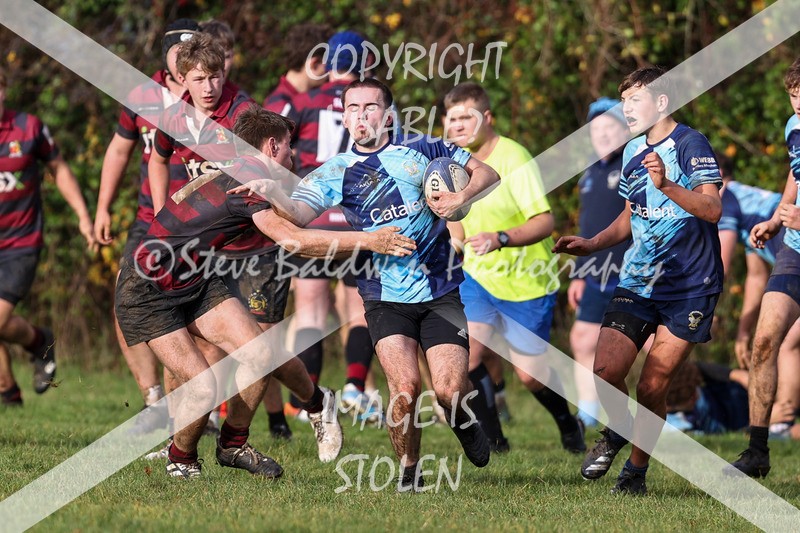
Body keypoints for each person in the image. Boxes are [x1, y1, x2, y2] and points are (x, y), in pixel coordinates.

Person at [116, 105, 415, 478]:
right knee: (204, 386)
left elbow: (290, 217)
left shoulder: (243, 171)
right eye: (290, 146)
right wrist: (371, 240)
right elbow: (293, 240)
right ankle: (182, 459)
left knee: (259, 355)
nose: (294, 154)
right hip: (146, 289)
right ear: (272, 146)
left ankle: (233, 444)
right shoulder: (247, 185)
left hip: (193, 278)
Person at [242, 78, 501, 490]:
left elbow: (488, 172)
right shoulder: (336, 171)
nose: (362, 116)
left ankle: (464, 423)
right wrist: (270, 188)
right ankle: (409, 473)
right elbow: (298, 214)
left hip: (439, 290)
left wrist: (462, 196)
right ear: (344, 116)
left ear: (389, 115)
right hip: (383, 295)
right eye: (353, 108)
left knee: (450, 391)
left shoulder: (424, 149)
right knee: (405, 388)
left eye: (371, 107)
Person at [554, 66, 724, 495]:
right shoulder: (632, 150)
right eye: (624, 100)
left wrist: (666, 184)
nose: (626, 108)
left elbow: (712, 210)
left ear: (661, 103)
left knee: (652, 385)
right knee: (605, 368)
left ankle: (635, 473)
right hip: (639, 280)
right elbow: (631, 216)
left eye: (635, 100)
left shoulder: (690, 143)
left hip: (690, 286)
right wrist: (593, 244)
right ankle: (618, 431)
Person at [441, 82, 586, 454]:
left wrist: (500, 238)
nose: (457, 126)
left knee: (529, 374)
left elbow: (545, 221)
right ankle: (494, 439)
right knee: (470, 354)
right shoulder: (450, 159)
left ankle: (567, 423)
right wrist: (456, 243)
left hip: (528, 281)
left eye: (466, 118)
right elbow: (452, 211)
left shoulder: (515, 158)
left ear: (487, 118)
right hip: (477, 277)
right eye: (451, 118)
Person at [93, 18, 200, 432]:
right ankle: (153, 400)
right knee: (127, 299)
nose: (186, 59)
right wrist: (102, 207)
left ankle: (192, 402)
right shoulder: (142, 95)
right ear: (166, 55)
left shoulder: (210, 92)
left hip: (200, 221)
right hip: (148, 219)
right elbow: (119, 152)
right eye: (179, 51)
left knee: (195, 311)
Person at [283, 31, 381, 424]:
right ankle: (356, 387)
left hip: (316, 219)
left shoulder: (304, 103)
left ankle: (311, 404)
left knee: (310, 313)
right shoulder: (371, 103)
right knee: (360, 310)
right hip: (359, 219)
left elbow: (283, 157)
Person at [0, 67, 94, 406]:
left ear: (4, 89)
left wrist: (84, 216)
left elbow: (59, 169)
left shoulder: (29, 128)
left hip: (20, 244)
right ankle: (11, 389)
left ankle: (37, 346)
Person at [728, 58, 800, 477]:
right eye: (792, 96)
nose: (797, 105)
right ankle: (757, 452)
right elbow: (795, 174)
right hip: (793, 251)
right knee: (764, 342)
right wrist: (776, 218)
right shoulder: (794, 127)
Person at [716, 154, 800, 439]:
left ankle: (783, 418)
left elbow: (720, 267)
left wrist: (703, 307)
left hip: (794, 256)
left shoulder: (727, 200)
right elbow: (755, 276)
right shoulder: (748, 202)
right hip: (790, 258)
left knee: (788, 339)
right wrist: (743, 330)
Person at [568, 97, 631, 429]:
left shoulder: (635, 164)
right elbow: (587, 227)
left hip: (633, 271)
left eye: (610, 127)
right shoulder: (589, 174)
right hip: (595, 272)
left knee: (651, 343)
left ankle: (678, 406)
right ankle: (587, 411)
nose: (603, 135)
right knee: (582, 338)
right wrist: (578, 274)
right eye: (596, 129)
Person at [262, 23, 332, 117]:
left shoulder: (279, 102)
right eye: (329, 65)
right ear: (314, 64)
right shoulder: (280, 109)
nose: (332, 72)